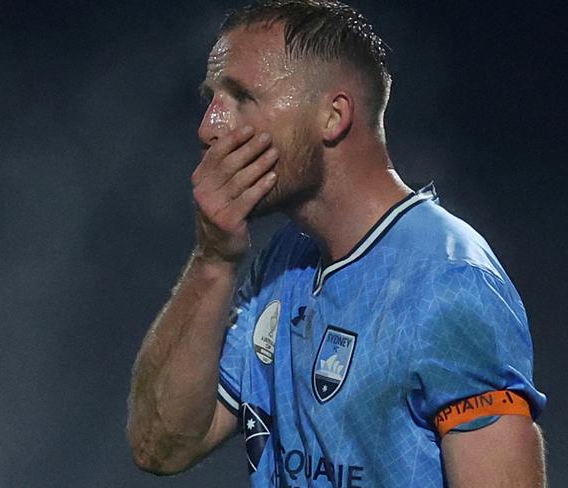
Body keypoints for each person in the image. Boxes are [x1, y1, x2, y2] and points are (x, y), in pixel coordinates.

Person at [126, 1, 547, 486]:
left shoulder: (448, 281)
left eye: (241, 96)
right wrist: (214, 260)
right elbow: (160, 444)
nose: (209, 126)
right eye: (212, 98)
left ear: (333, 116)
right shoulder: (283, 266)